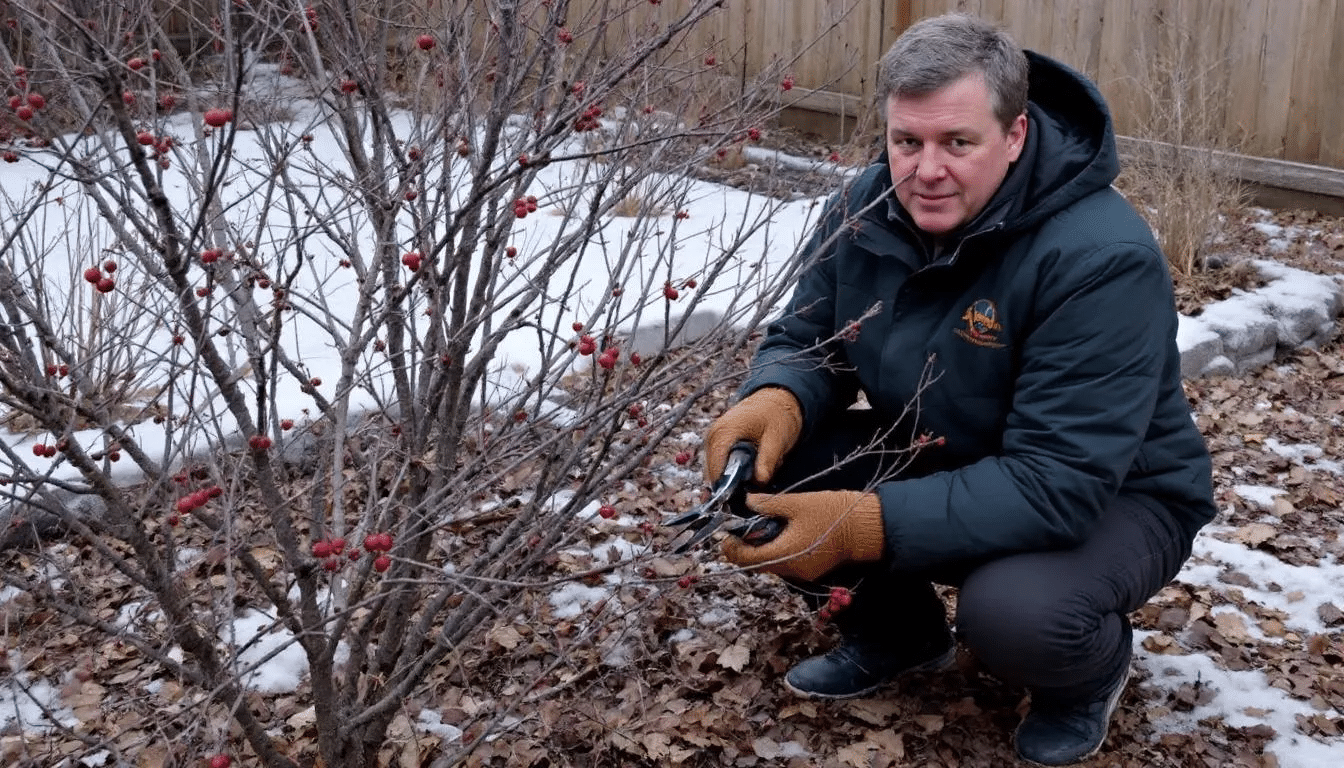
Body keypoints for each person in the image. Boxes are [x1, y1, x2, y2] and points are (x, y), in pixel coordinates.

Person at [702, 13, 1216, 767]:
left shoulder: (1101, 257)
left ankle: (1085, 677)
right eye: (906, 142)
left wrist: (858, 525)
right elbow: (810, 341)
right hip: (951, 448)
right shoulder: (864, 207)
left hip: (1113, 496)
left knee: (1014, 613)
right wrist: (775, 398)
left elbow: (1058, 481)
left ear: (1013, 136)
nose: (925, 170)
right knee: (761, 476)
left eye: (958, 143)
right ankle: (900, 638)